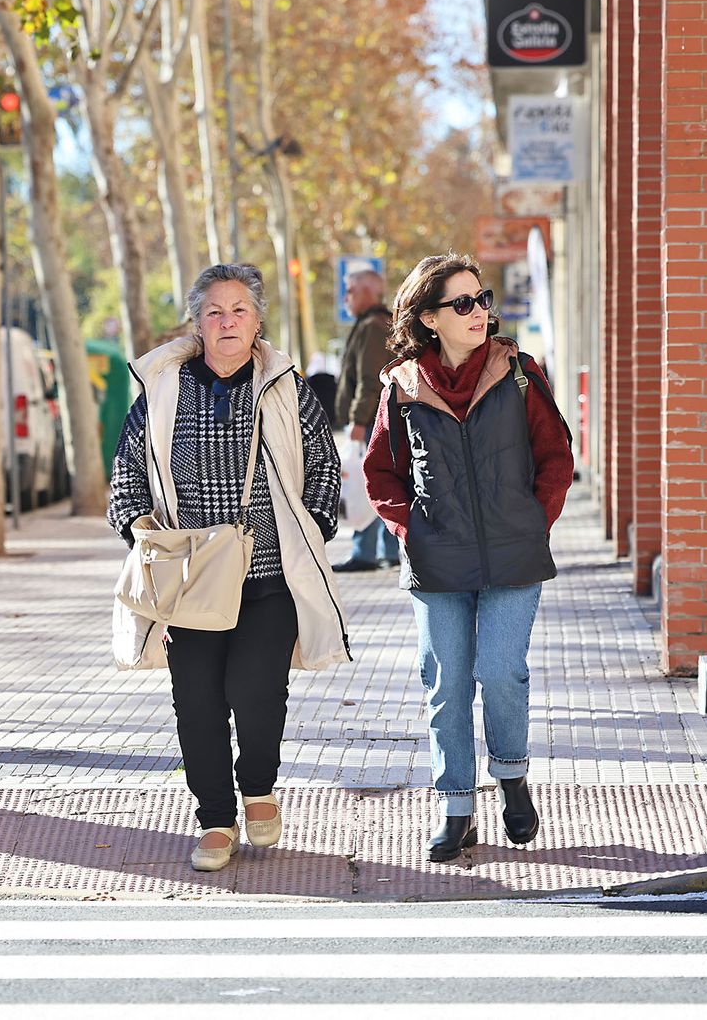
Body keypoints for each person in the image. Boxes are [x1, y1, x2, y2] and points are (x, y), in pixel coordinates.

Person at [108, 263, 349, 872]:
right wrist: (144, 536)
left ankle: (259, 787)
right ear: (197, 323)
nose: (227, 322)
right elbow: (126, 480)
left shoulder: (285, 388)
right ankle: (215, 819)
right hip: (189, 586)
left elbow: (324, 469)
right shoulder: (163, 391)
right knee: (196, 703)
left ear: (258, 321)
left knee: (256, 692)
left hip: (268, 578)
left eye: (239, 310)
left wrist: (311, 532)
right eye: (214, 311)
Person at [363, 253, 573, 862]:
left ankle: (511, 777)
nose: (479, 312)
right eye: (463, 304)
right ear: (429, 318)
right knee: (446, 683)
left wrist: (535, 521)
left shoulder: (519, 375)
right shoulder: (401, 390)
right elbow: (382, 472)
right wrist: (413, 532)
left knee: (500, 670)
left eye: (482, 300)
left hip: (514, 556)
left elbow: (555, 457)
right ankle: (456, 807)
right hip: (436, 562)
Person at [332, 269, 400, 573]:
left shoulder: (373, 326)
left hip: (372, 420)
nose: (345, 298)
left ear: (369, 292)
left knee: (366, 484)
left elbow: (370, 381)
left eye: (351, 291)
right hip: (377, 419)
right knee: (381, 480)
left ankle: (366, 552)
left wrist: (358, 422)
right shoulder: (375, 323)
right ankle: (386, 550)